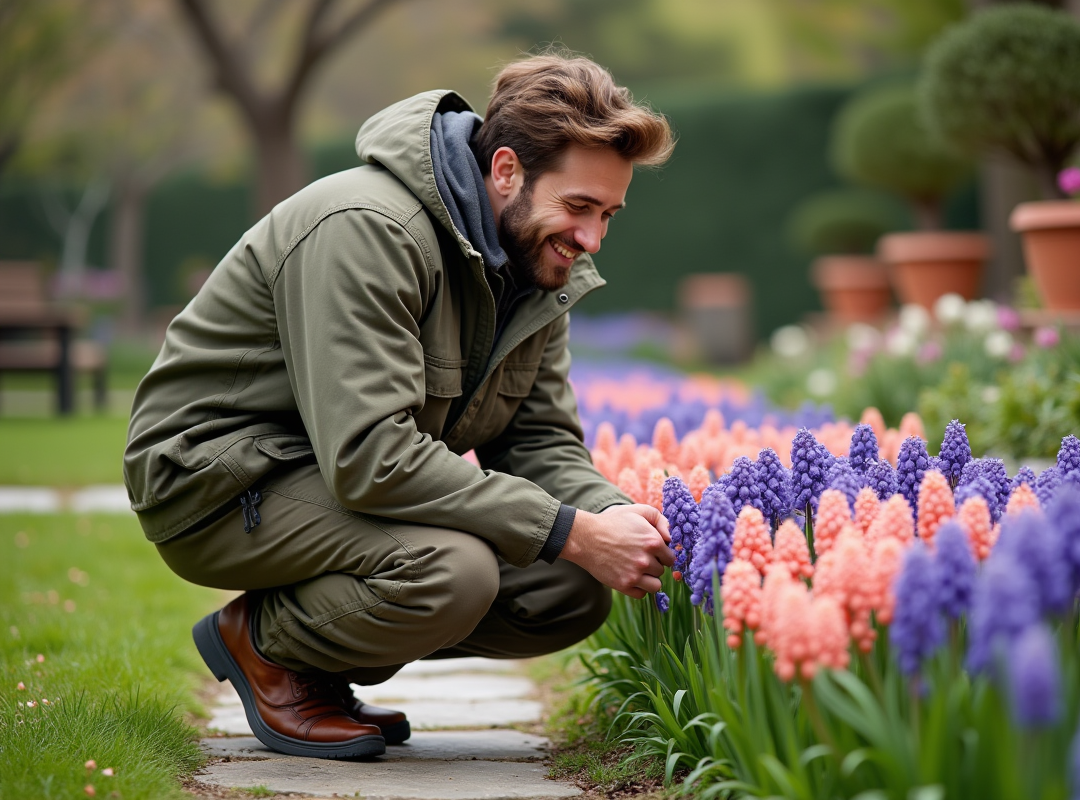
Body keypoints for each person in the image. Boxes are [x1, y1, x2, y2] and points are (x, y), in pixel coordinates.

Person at [123, 52, 677, 759]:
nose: (592, 238)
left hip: (329, 473)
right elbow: (370, 458)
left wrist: (609, 517)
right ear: (505, 171)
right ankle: (267, 649)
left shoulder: (538, 266)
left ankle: (316, 658)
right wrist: (567, 528)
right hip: (218, 479)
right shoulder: (367, 228)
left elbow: (538, 441)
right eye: (578, 207)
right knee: (451, 572)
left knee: (566, 588)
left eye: (607, 214)